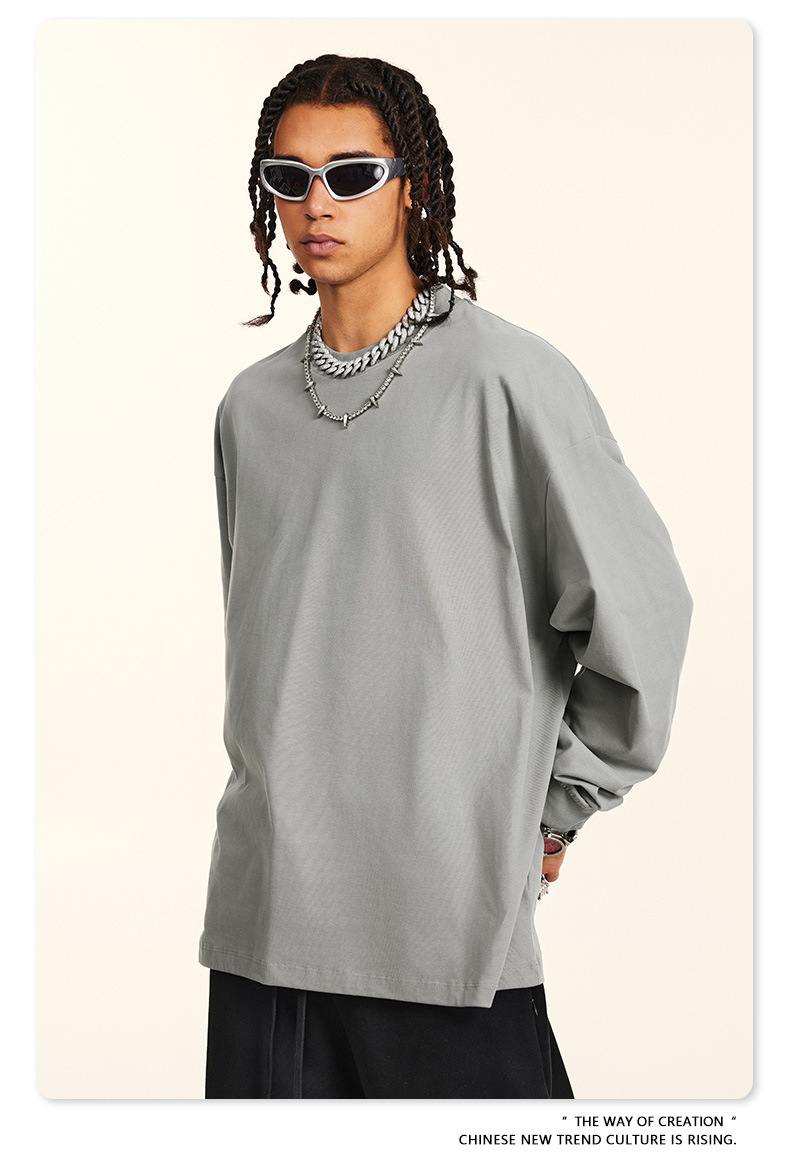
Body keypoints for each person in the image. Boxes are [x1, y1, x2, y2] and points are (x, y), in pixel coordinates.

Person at [199, 54, 693, 1100]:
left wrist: (555, 808)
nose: (317, 203)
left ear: (412, 185)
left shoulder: (507, 378)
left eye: (351, 174)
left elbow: (640, 611)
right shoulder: (250, 408)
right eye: (289, 178)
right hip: (263, 919)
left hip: (442, 925)